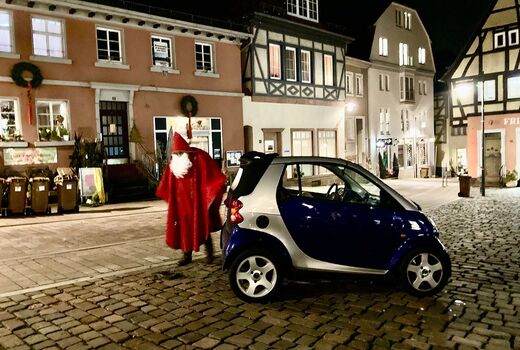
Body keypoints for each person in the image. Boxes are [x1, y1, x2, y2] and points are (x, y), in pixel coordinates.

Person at [156, 132, 226, 266]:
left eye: (180, 153)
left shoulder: (199, 158)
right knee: (185, 231)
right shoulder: (174, 165)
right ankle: (186, 255)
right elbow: (167, 184)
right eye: (175, 153)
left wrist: (214, 190)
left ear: (185, 151)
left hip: (198, 203)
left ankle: (209, 253)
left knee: (202, 227)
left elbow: (212, 176)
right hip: (181, 205)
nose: (177, 156)